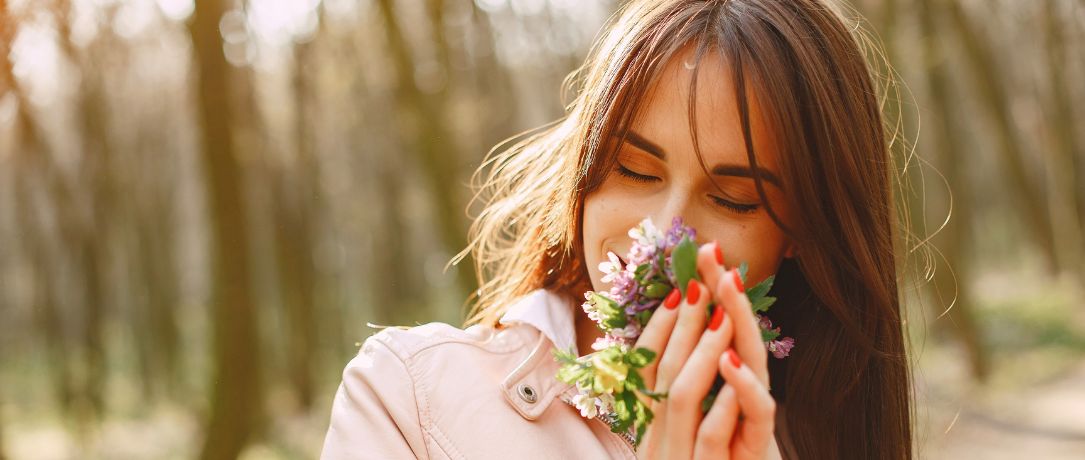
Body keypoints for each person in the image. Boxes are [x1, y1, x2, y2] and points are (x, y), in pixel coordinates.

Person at [321, 0, 912, 458]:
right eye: (633, 169)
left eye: (733, 199)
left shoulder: (826, 435)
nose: (661, 234)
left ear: (804, 232)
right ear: (587, 169)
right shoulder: (407, 397)